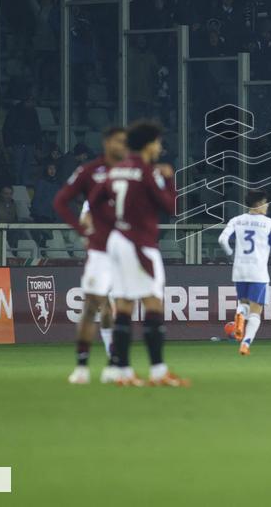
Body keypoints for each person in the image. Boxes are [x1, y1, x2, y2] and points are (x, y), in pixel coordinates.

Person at [88, 120, 187, 387]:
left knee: (123, 305)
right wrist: (168, 179)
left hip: (118, 242)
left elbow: (95, 201)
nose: (159, 147)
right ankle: (157, 370)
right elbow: (171, 205)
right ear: (148, 144)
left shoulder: (116, 170)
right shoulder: (146, 171)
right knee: (153, 303)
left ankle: (123, 370)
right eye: (157, 142)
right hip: (140, 243)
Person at [53, 126, 127, 384]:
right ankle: (83, 365)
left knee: (118, 309)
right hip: (101, 254)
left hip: (127, 253)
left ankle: (114, 361)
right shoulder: (92, 173)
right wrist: (83, 231)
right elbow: (80, 211)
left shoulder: (135, 175)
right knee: (93, 306)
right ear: (107, 143)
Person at [217, 189, 271, 356]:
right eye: (266, 202)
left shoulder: (236, 220)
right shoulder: (269, 223)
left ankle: (240, 317)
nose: (267, 206)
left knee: (244, 303)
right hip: (258, 271)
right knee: (256, 310)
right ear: (260, 203)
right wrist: (270, 245)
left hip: (239, 269)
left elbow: (222, 240)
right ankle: (246, 343)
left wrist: (229, 253)